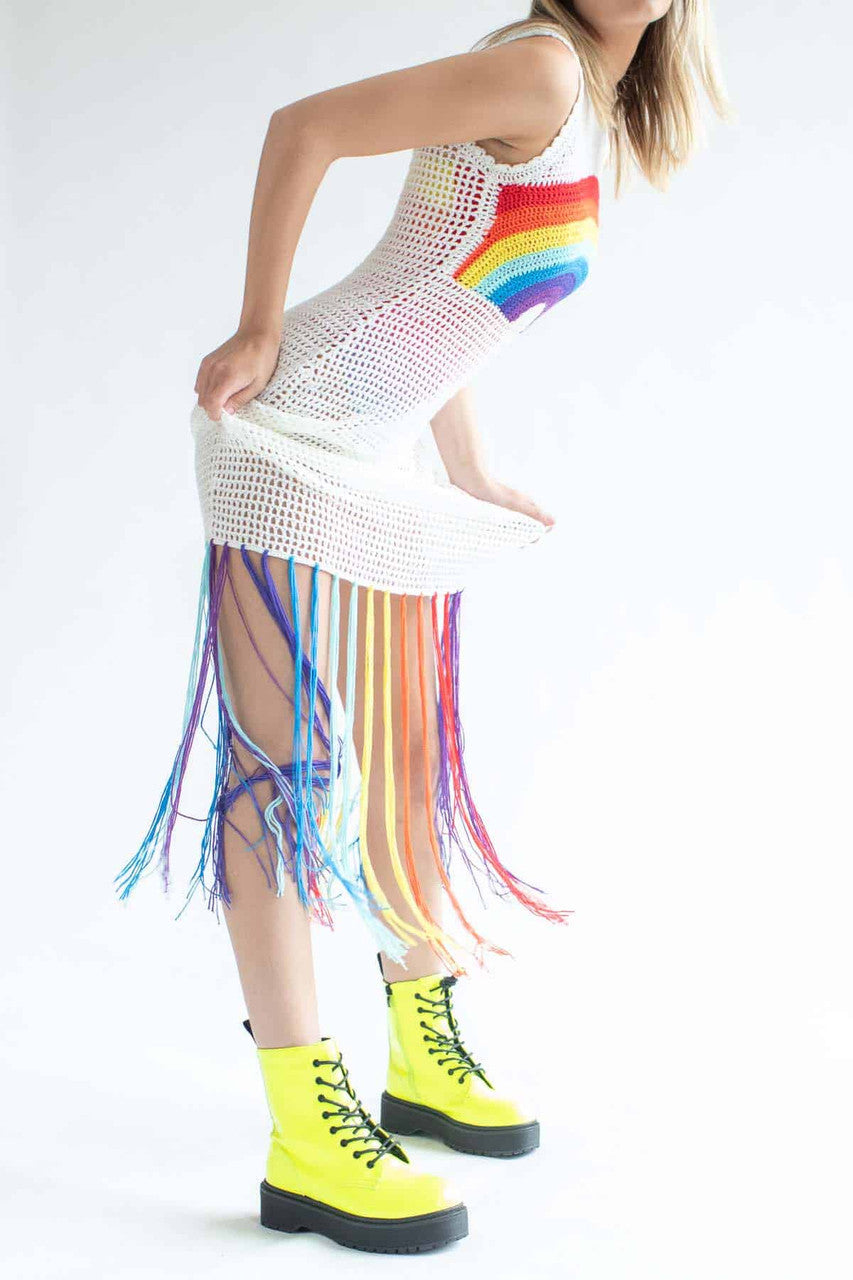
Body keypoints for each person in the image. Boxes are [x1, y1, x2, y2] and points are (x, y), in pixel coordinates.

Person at [117, 1, 730, 1255]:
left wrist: (470, 466)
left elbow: (447, 295)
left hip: (380, 451)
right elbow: (303, 127)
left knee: (405, 762)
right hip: (290, 433)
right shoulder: (539, 68)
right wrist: (258, 325)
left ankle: (420, 1050)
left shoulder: (583, 100)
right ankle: (305, 1124)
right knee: (284, 772)